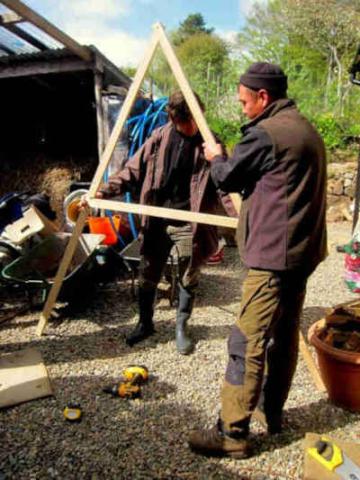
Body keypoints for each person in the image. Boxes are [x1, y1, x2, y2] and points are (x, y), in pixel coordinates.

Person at [188, 62, 327, 457]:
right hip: (302, 253)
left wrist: (216, 155)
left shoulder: (266, 134)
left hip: (273, 258)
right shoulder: (305, 129)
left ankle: (232, 433)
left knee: (245, 340)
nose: (242, 108)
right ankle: (274, 412)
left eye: (244, 102)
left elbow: (226, 178)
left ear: (263, 97)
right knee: (283, 337)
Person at [95, 90, 236, 355]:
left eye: (196, 119)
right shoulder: (159, 137)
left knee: (187, 274)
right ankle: (145, 323)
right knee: (148, 272)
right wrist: (105, 189)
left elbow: (225, 186)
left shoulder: (210, 143)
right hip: (157, 218)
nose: (192, 126)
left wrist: (240, 220)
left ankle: (181, 327)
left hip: (189, 222)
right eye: (186, 122)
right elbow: (132, 169)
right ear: (173, 118)